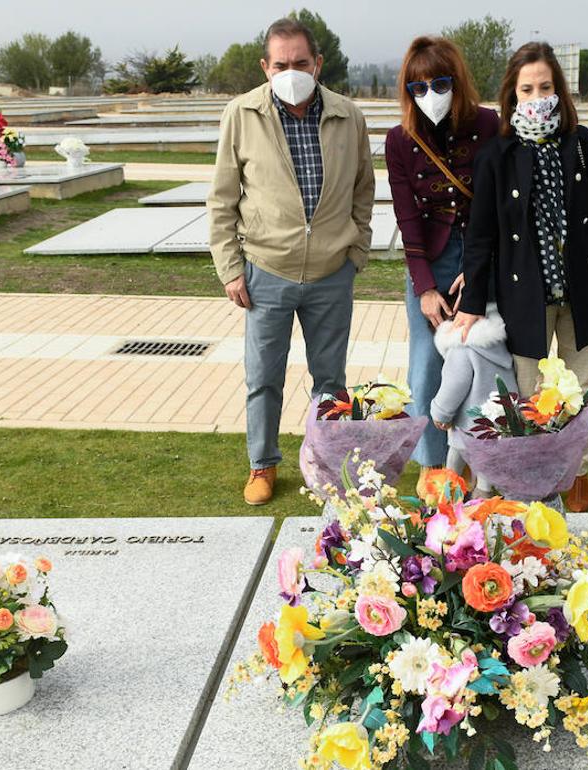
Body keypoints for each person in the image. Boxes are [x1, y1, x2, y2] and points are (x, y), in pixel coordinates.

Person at [208, 17, 375, 505]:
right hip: (267, 270)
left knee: (331, 381)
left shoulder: (348, 116)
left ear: (317, 63)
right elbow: (221, 198)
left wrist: (356, 250)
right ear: (265, 66)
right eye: (280, 64)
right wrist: (230, 268)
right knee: (263, 378)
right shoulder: (241, 115)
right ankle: (262, 465)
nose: (291, 71)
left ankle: (328, 463)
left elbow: (364, 188)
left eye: (300, 62)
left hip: (330, 273)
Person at [453, 42, 588, 512]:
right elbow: (482, 234)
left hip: (582, 292)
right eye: (527, 88)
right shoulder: (497, 154)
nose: (536, 96)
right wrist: (471, 304)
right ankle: (531, 473)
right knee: (528, 395)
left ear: (559, 90)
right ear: (512, 95)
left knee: (579, 389)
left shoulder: (582, 144)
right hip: (524, 297)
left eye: (545, 87)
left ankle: (578, 473)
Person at [384, 35, 500, 494]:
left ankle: (487, 462)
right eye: (418, 86)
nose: (430, 93)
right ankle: (434, 470)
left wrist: (482, 266)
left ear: (458, 81)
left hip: (481, 254)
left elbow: (495, 202)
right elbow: (407, 216)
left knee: (486, 359)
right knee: (426, 366)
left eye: (440, 82)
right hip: (430, 260)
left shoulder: (489, 125)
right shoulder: (399, 140)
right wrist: (425, 286)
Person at [429, 302, 516, 499]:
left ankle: (448, 491)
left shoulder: (461, 348)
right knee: (487, 458)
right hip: (500, 417)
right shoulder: (498, 344)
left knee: (456, 453)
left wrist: (440, 413)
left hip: (470, 422)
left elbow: (454, 384)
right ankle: (483, 492)